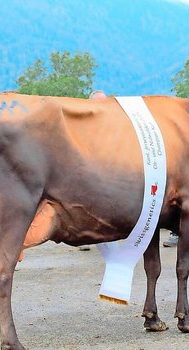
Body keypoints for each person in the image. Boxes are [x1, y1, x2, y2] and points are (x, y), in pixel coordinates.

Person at [78, 89, 110, 251]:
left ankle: (107, 236)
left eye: (105, 102)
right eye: (99, 102)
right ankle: (85, 238)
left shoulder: (111, 123)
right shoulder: (83, 123)